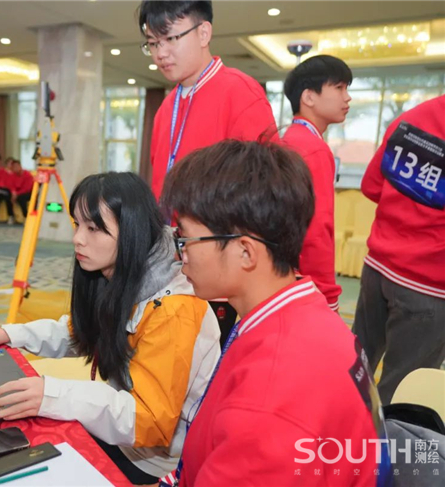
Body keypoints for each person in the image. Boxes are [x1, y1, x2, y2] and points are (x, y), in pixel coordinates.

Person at [0, 172, 221, 484]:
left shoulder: (174, 308)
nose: (78, 238)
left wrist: (53, 394)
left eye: (93, 228)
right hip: (120, 430)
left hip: (149, 458)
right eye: (77, 224)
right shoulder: (122, 272)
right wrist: (11, 334)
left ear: (131, 232)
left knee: (24, 456)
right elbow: (82, 331)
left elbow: (148, 420)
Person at [158, 140, 391, 487]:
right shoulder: (298, 311)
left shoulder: (270, 395)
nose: (181, 256)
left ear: (245, 252)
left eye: (186, 239)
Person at [139, 0, 278, 339]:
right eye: (152, 43)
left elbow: (265, 192)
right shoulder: (167, 106)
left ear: (204, 33)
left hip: (221, 276)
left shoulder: (240, 92)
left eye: (170, 39)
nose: (160, 53)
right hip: (172, 267)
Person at [353, 95, 445, 405]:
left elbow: (371, 186)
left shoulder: (412, 118)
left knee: (356, 369)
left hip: (377, 269)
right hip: (428, 285)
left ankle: (335, 431)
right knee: (403, 392)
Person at [282, 55, 352, 312]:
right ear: (309, 97)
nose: (347, 98)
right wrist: (327, 292)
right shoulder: (313, 149)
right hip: (304, 281)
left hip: (282, 272)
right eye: (339, 88)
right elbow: (316, 229)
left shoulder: (289, 139)